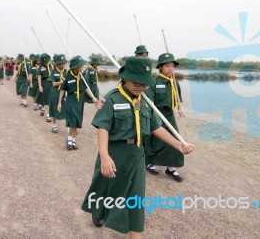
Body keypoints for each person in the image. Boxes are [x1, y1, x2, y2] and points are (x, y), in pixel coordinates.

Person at [81, 56, 195, 239]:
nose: (140, 86)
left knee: (136, 200)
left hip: (137, 155)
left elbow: (155, 127)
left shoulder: (145, 101)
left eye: (144, 83)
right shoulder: (111, 99)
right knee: (106, 187)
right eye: (136, 82)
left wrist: (178, 144)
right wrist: (104, 156)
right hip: (115, 153)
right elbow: (103, 127)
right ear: (125, 78)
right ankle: (99, 211)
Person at [144, 53, 185, 181]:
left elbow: (177, 98)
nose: (170, 68)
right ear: (160, 67)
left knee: (175, 138)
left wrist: (180, 107)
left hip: (169, 115)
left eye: (172, 66)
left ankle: (171, 168)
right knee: (156, 140)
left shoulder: (174, 83)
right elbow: (149, 100)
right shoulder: (154, 81)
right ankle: (151, 163)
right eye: (167, 66)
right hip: (157, 114)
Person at [57, 55, 98, 150]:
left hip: (80, 102)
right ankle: (69, 139)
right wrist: (59, 103)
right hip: (71, 101)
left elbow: (86, 88)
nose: (83, 67)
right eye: (81, 65)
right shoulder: (68, 76)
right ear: (76, 67)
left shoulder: (82, 76)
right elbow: (62, 90)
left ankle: (73, 139)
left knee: (77, 121)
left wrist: (93, 97)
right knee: (72, 121)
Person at [48, 54, 67, 133]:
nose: (63, 65)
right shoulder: (53, 71)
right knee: (54, 108)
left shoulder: (66, 71)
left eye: (64, 63)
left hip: (64, 93)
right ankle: (54, 125)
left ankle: (69, 126)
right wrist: (61, 82)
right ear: (58, 64)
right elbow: (53, 84)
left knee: (66, 108)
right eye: (61, 63)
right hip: (55, 92)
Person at [36, 53, 53, 121]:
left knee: (50, 99)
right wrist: (40, 86)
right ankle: (43, 108)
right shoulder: (41, 67)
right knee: (43, 98)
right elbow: (39, 77)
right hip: (44, 83)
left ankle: (48, 115)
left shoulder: (52, 66)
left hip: (51, 83)